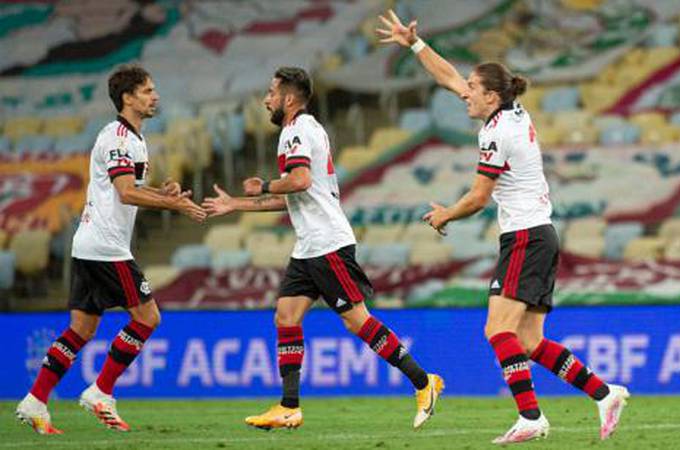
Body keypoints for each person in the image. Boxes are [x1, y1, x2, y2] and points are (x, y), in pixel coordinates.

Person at [377, 10, 630, 445]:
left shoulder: (496, 135)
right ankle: (604, 394)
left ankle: (531, 417)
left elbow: (478, 198)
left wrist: (444, 215)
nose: (465, 95)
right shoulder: (511, 113)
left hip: (526, 238)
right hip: (538, 235)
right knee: (529, 340)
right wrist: (415, 44)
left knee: (498, 331)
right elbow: (449, 78)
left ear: (492, 97)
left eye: (473, 90)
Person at [203, 66, 443, 431]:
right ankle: (289, 407)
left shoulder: (297, 130)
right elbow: (296, 198)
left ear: (288, 98)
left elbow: (299, 181)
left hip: (327, 243)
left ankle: (423, 382)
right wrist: (236, 205)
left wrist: (265, 184)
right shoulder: (302, 130)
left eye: (271, 93)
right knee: (286, 315)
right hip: (309, 245)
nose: (266, 99)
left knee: (356, 321)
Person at [15, 64, 207, 434]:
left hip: (89, 244)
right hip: (107, 248)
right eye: (148, 91)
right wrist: (174, 205)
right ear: (128, 97)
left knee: (81, 329)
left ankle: (35, 401)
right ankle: (101, 391)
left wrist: (163, 195)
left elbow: (126, 191)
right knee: (147, 318)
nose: (155, 96)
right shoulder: (120, 138)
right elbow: (125, 192)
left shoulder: (131, 137)